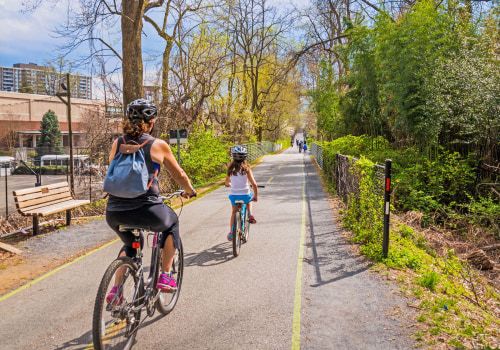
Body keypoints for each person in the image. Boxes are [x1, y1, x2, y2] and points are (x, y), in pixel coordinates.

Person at [105, 98, 196, 302]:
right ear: (152, 122)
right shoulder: (158, 145)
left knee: (130, 245)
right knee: (171, 221)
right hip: (147, 210)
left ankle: (115, 291)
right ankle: (164, 276)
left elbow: (113, 173)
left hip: (114, 212)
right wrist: (189, 189)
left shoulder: (117, 143)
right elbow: (178, 174)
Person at [225, 146, 258, 241]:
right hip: (245, 195)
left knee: (233, 212)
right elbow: (254, 184)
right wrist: (256, 196)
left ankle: (231, 233)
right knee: (249, 200)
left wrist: (229, 184)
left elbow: (227, 182)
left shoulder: (230, 169)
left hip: (234, 196)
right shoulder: (246, 168)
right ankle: (250, 214)